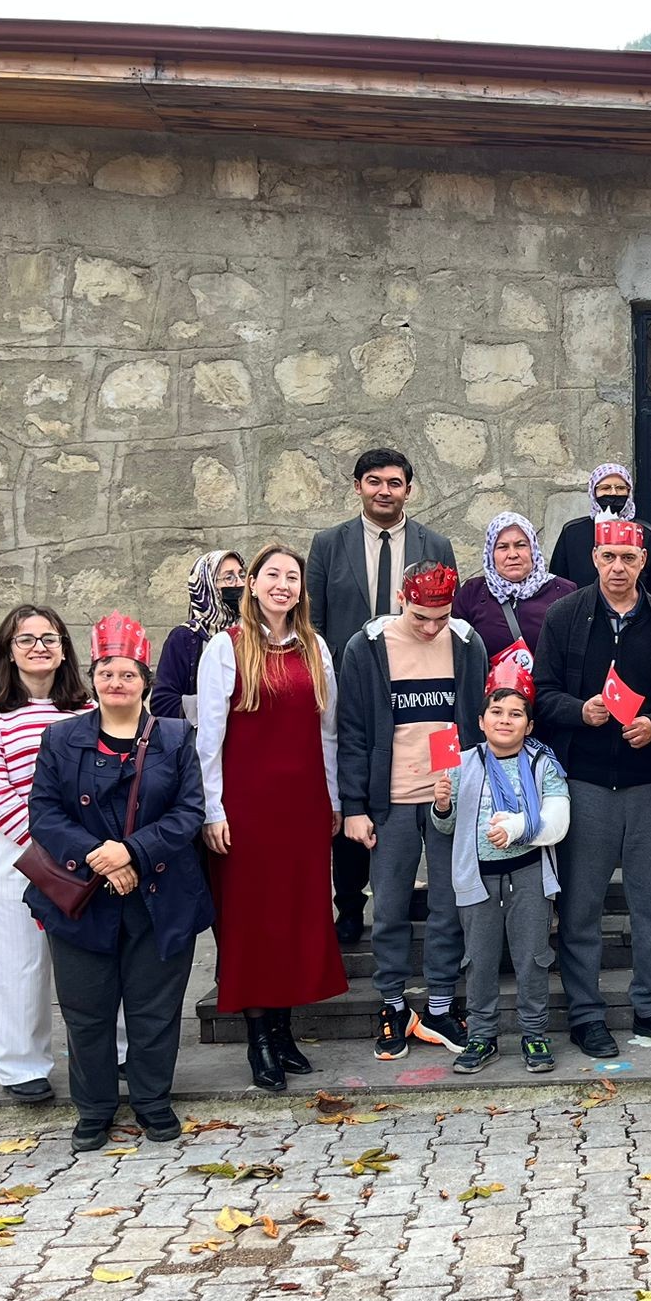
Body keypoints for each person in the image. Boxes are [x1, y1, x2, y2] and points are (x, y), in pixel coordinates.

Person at [24, 613, 211, 1152]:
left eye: (127, 673)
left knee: (154, 1009)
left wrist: (131, 851)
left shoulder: (175, 737)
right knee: (86, 1010)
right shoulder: (61, 739)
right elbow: (45, 813)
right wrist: (100, 857)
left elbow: (187, 812)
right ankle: (95, 1110)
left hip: (158, 896)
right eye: (106, 672)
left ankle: (153, 1102)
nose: (116, 683)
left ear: (144, 681)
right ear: (93, 678)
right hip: (81, 899)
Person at [535, 518, 651, 1058]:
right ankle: (586, 1014)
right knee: (581, 906)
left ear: (643, 561)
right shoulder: (565, 616)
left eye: (628, 558)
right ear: (595, 558)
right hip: (584, 784)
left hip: (649, 784)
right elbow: (542, 695)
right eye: (609, 557)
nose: (618, 568)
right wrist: (581, 711)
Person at [198, 542, 350, 1090]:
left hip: (304, 805)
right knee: (251, 921)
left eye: (292, 576)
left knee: (295, 916)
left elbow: (327, 732)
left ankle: (284, 1033)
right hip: (246, 808)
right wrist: (212, 809)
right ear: (253, 584)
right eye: (272, 575)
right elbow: (208, 739)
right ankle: (258, 1038)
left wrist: (332, 799)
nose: (282, 584)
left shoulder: (316, 648)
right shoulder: (225, 648)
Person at [306, 447, 458, 946]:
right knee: (355, 788)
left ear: (409, 490)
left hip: (419, 685)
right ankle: (349, 904)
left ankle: (420, 900)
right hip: (354, 686)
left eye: (394, 482)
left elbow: (448, 619)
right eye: (374, 481)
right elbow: (317, 623)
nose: (384, 491)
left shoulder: (433, 542)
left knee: (419, 793)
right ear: (357, 487)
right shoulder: (329, 545)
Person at [337, 560, 487, 1060]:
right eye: (421, 616)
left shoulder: (466, 645)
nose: (430, 628)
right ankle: (394, 1004)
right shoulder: (366, 648)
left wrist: (464, 784)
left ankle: (442, 1004)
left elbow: (467, 722)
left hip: (448, 794)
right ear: (402, 598)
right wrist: (354, 806)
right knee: (392, 906)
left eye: (441, 617)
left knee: (449, 904)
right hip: (391, 799)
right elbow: (353, 733)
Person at [0, 605, 98, 1103]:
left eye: (50, 637)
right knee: (16, 964)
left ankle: (113, 1054)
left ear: (64, 648)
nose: (39, 647)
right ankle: (23, 1065)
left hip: (81, 857)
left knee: (93, 961)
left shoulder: (86, 709)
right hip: (15, 856)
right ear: (8, 650)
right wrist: (48, 848)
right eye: (26, 639)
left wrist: (79, 851)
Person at [438, 663, 571, 1076]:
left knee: (533, 956)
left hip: (530, 874)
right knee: (478, 959)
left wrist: (516, 829)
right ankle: (482, 1035)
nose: (505, 720)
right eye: (496, 713)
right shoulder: (460, 763)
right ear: (480, 722)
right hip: (478, 877)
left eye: (515, 714)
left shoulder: (542, 763)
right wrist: (442, 802)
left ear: (529, 725)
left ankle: (534, 1033)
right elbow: (446, 825)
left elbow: (558, 821)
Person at [453, 512, 577, 667]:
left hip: (547, 690)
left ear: (533, 549)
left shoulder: (563, 591)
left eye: (520, 545)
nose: (513, 554)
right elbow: (457, 651)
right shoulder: (472, 593)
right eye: (503, 547)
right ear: (491, 554)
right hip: (489, 690)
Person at [549, 462, 651, 599]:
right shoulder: (572, 532)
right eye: (605, 488)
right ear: (593, 492)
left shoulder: (645, 533)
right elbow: (558, 583)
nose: (613, 493)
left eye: (620, 488)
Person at [150, 552, 244, 723]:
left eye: (241, 575)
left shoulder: (256, 633)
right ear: (206, 585)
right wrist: (221, 707)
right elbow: (162, 703)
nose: (239, 583)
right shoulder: (185, 638)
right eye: (229, 578)